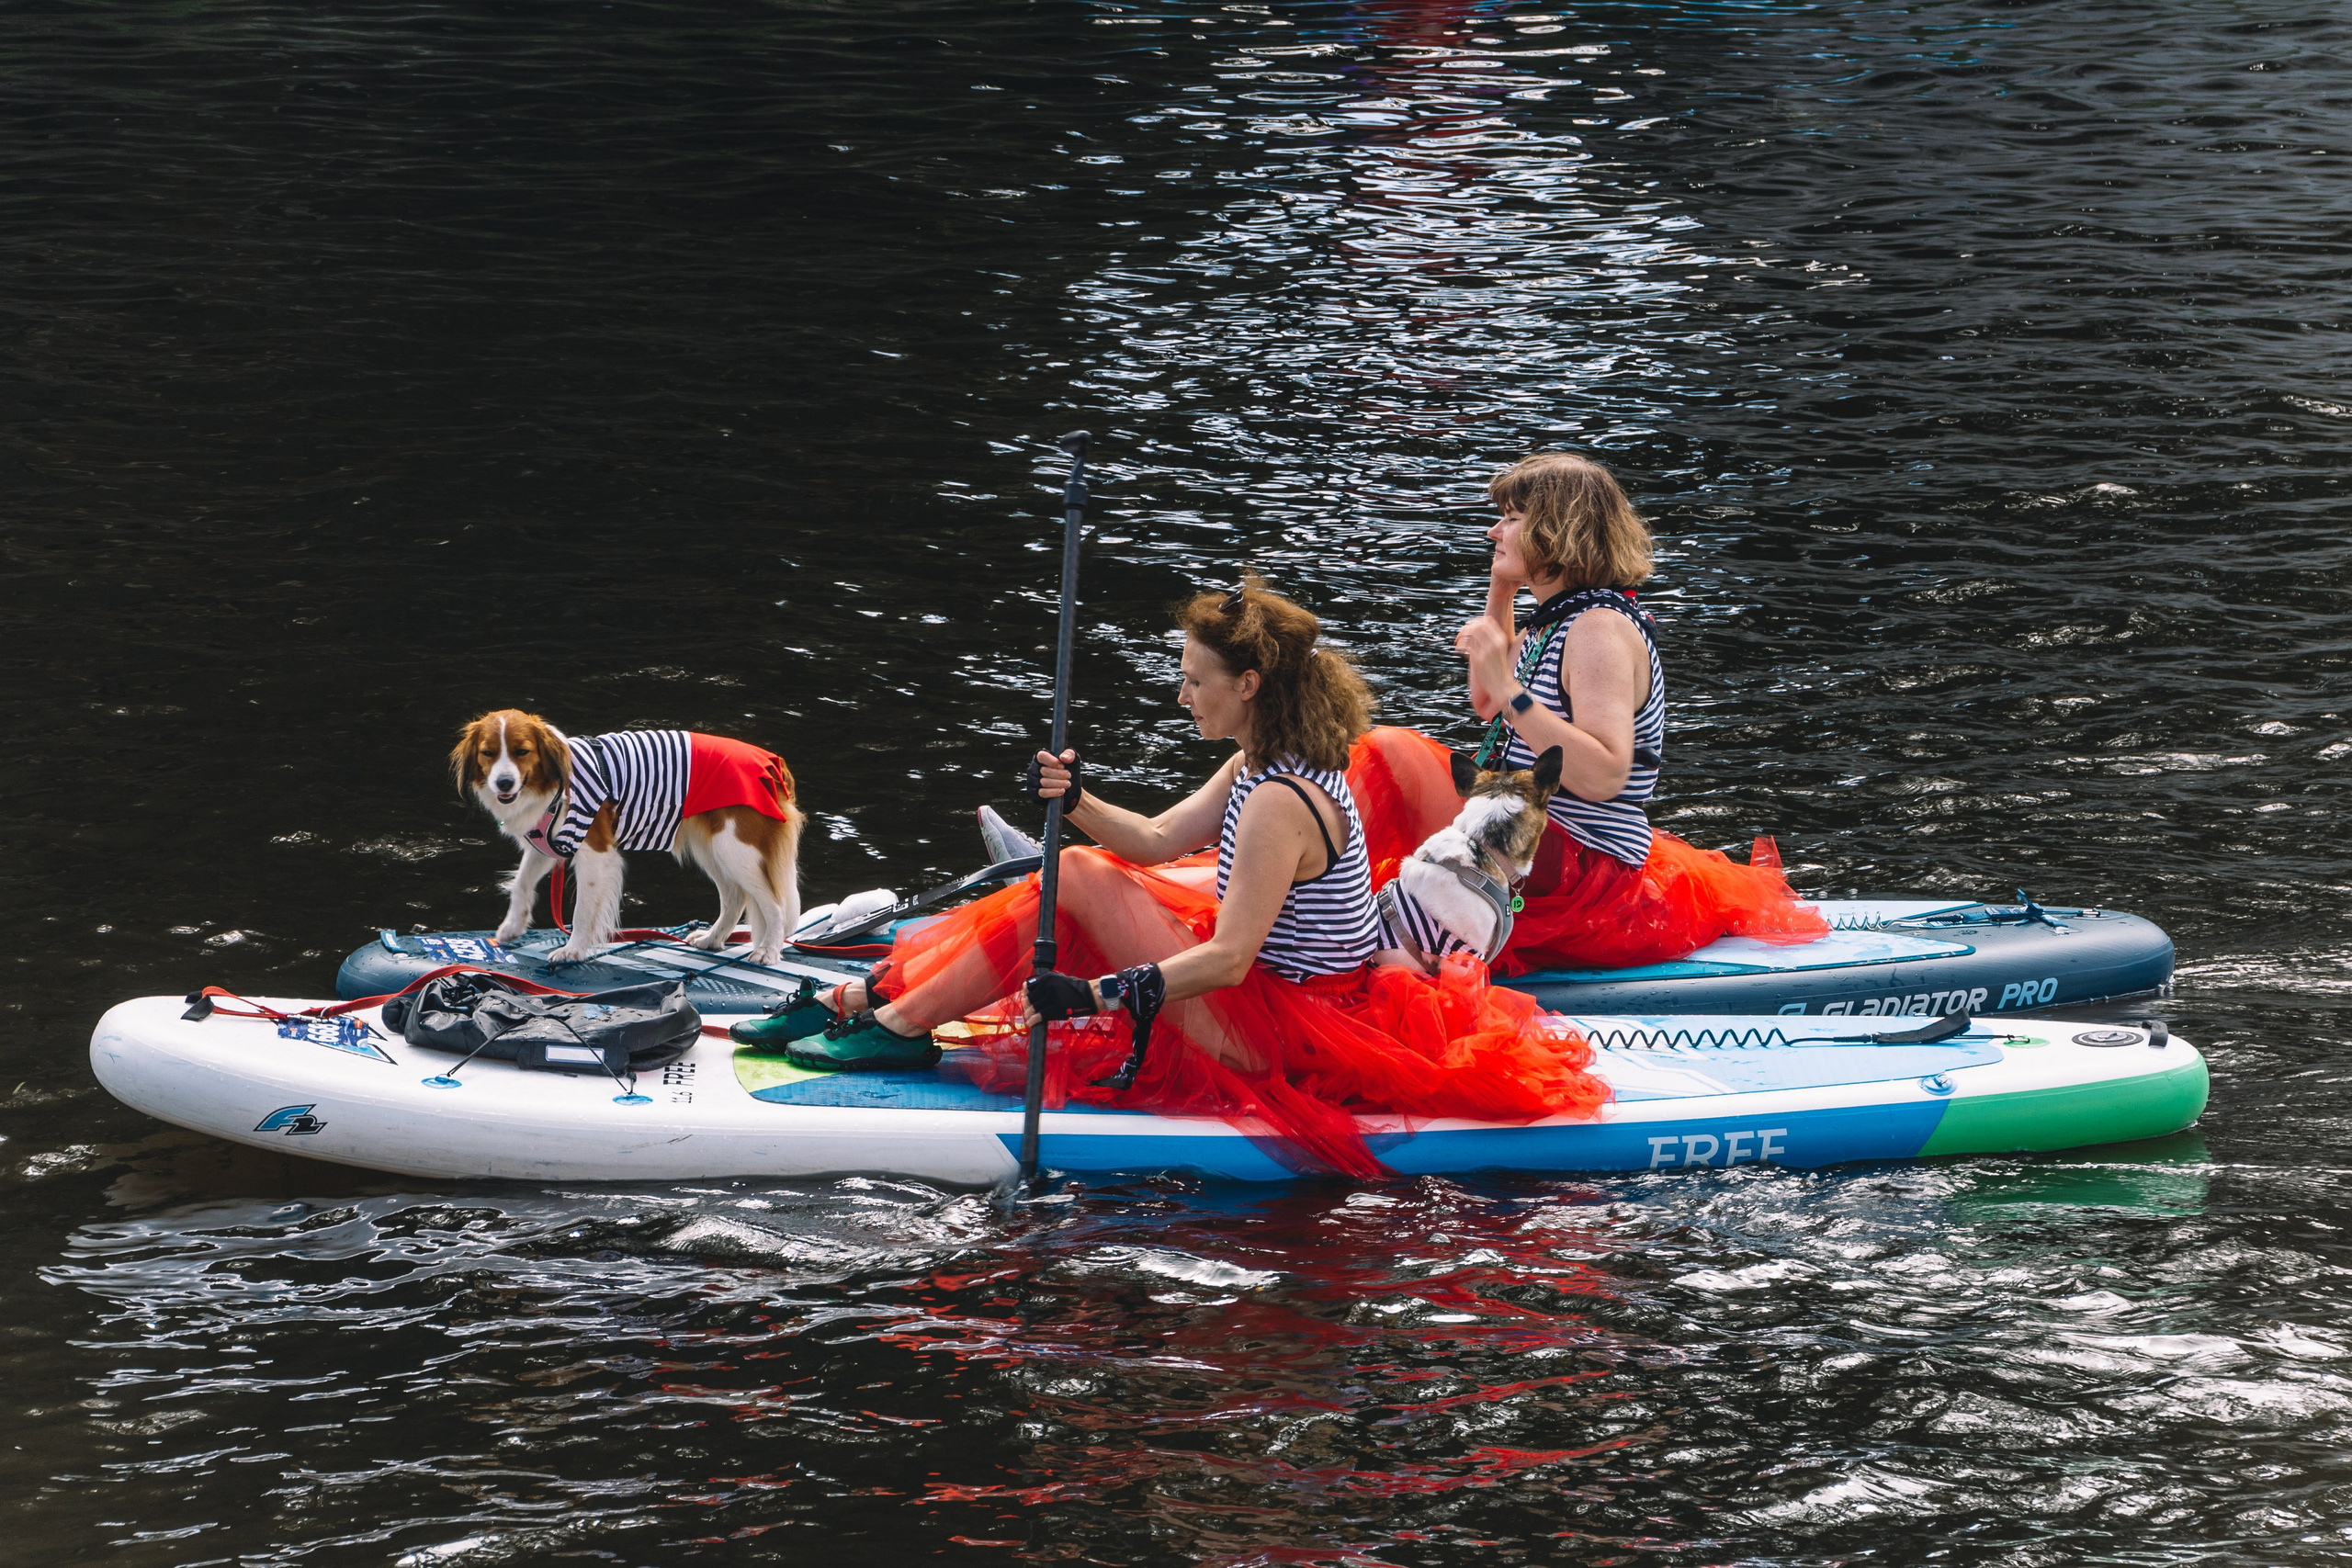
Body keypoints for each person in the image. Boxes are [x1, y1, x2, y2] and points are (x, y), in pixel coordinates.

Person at [730, 575, 1609, 1178]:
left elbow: (1229, 960)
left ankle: (892, 1016)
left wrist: (1098, 994)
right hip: (1278, 993)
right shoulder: (1267, 755)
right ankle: (881, 1006)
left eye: (1195, 681)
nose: (1182, 695)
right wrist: (1076, 796)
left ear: (1251, 683)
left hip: (1282, 1030)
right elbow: (1153, 838)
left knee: (1075, 878)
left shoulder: (1278, 799)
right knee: (1088, 865)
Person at [1349, 452, 1826, 975]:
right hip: (1528, 842)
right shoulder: (1551, 622)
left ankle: (1327, 911)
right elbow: (1487, 706)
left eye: (1512, 519)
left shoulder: (1598, 627)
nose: (1493, 531)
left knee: (1389, 752)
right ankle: (1343, 908)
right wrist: (1502, 588)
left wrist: (1508, 684)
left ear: (1556, 531)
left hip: (1582, 870)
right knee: (1399, 760)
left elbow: (1603, 773)